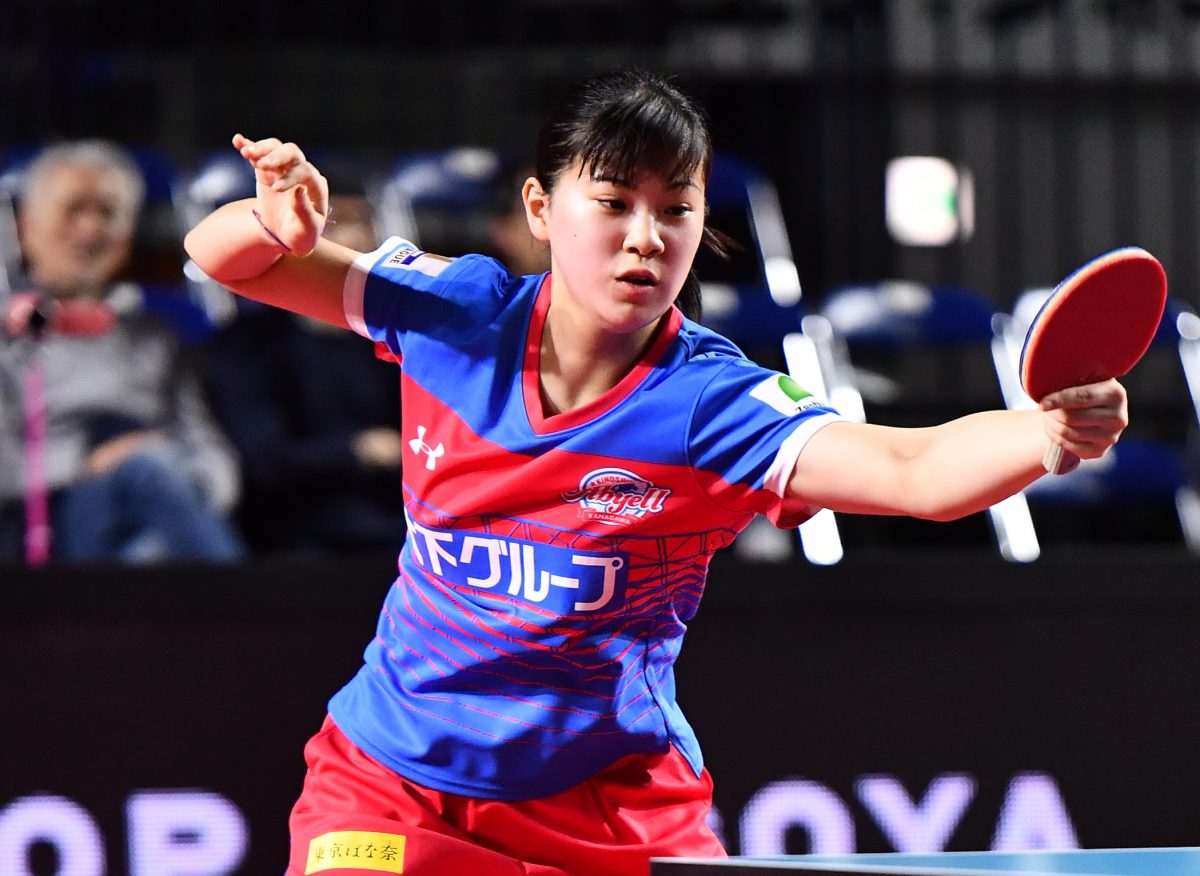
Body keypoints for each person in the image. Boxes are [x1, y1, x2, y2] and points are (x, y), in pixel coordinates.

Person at [183, 70, 1128, 875]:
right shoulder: (454, 313)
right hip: (392, 783)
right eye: (614, 202)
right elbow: (222, 260)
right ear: (540, 209)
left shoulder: (711, 404)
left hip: (606, 807)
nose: (647, 236)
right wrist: (273, 223)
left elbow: (912, 469)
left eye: (677, 208)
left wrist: (1048, 433)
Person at [0, 139, 244, 565]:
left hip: (159, 502)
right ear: (26, 227)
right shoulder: (10, 335)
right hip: (48, 516)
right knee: (146, 473)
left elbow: (207, 447)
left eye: (108, 212)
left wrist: (193, 486)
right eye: (73, 210)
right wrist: (97, 461)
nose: (91, 229)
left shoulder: (155, 335)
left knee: (149, 551)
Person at [202, 168, 409, 555]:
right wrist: (358, 451)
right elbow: (264, 464)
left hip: (397, 530)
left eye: (358, 221)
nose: (351, 240)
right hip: (292, 542)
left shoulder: (398, 340)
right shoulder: (246, 345)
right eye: (330, 223)